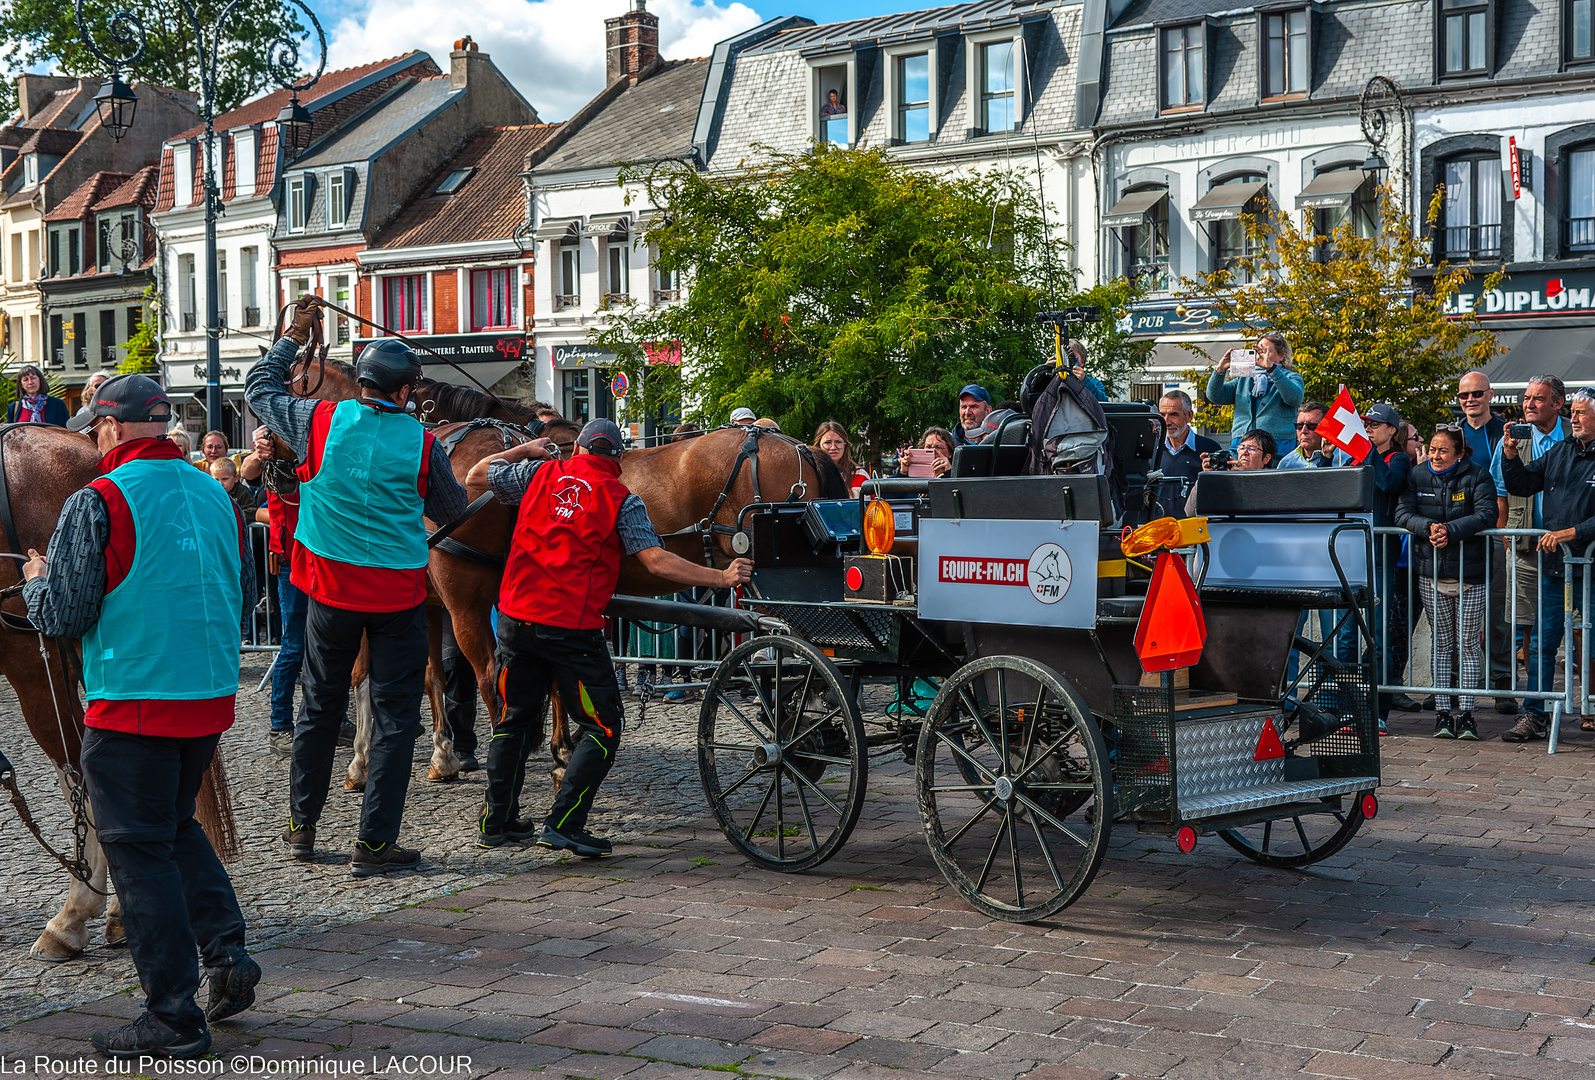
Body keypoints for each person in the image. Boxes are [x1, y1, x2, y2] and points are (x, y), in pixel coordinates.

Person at [22, 374, 257, 1058]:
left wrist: (37, 580)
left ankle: (173, 1014)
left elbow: (64, 616)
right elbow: (235, 586)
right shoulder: (216, 493)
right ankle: (230, 956)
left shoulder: (100, 498)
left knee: (137, 851)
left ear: (115, 429)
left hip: (133, 697)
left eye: (97, 427)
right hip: (206, 695)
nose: (94, 437)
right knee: (177, 827)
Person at [245, 296, 468, 875]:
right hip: (396, 597)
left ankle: (301, 829)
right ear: (403, 392)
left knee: (319, 708)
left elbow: (259, 389)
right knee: (396, 719)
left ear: (363, 383)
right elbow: (450, 511)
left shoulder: (320, 420)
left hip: (328, 591)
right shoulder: (424, 444)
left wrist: (292, 337)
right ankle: (373, 846)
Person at [470, 419, 753, 852]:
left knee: (513, 722)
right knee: (603, 726)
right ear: (618, 460)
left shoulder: (538, 474)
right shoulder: (622, 499)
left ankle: (498, 820)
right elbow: (657, 562)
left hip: (515, 620)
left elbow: (475, 474)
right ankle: (563, 822)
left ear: (578, 448)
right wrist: (721, 575)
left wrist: (524, 450)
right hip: (569, 627)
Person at [1500, 383, 1595, 742]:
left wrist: (1574, 532)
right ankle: (1535, 714)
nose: (1574, 418)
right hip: (1556, 568)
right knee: (1541, 643)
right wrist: (1510, 456)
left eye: (1581, 412)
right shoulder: (1560, 450)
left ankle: (1592, 707)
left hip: (1591, 567)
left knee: (1593, 641)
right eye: (1573, 412)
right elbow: (1523, 485)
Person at [1396, 426, 1499, 740]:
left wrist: (1449, 530)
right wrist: (1429, 527)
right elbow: (1402, 514)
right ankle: (1442, 713)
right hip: (1431, 572)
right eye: (1433, 448)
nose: (1436, 455)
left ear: (1458, 453)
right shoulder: (1416, 476)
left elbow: (1487, 514)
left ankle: (1467, 714)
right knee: (1442, 645)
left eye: (1443, 450)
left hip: (1471, 576)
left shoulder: (1479, 476)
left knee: (1467, 645)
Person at [1492, 376, 1569, 735]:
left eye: (1538, 399)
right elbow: (1509, 488)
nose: (1529, 404)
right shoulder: (1516, 439)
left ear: (1559, 403)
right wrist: (1508, 535)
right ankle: (1535, 711)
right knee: (1536, 635)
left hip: (1577, 552)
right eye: (1527, 398)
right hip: (1528, 547)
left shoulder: (1574, 439)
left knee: (1585, 635)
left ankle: (1588, 707)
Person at [1334, 402, 1410, 735]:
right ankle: (1348, 710)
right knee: (1346, 640)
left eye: (1375, 424)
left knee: (1377, 639)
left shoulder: (1398, 458)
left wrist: (1369, 453)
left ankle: (1379, 712)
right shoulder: (1352, 457)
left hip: (1379, 558)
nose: (1368, 428)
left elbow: (1389, 484)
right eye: (1365, 423)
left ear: (1391, 430)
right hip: (1349, 559)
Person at [240, 426, 306, 757]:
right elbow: (247, 471)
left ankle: (332, 719)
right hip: (291, 561)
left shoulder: (317, 443)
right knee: (293, 646)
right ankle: (280, 723)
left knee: (328, 647)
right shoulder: (273, 453)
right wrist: (260, 449)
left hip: (322, 560)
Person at [1453, 371, 1515, 715]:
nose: (1470, 400)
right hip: (1457, 535)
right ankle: (1447, 686)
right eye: (1464, 395)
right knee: (1450, 617)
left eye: (1477, 393)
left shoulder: (1503, 431)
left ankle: (1502, 684)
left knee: (1497, 613)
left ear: (1490, 394)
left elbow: (1507, 485)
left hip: (1492, 534)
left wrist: (1502, 531)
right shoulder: (1451, 432)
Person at [1204, 333, 1305, 454]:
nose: (1261, 356)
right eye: (1258, 351)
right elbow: (1215, 396)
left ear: (1282, 355)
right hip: (1242, 445)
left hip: (1277, 447)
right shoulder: (1245, 379)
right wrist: (1220, 369)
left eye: (1266, 351)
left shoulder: (1291, 377)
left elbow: (1293, 398)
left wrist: (1272, 370)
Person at [1154, 390, 1219, 516]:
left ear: (1189, 416)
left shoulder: (1210, 449)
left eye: (1173, 415)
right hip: (1158, 529)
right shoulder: (1151, 449)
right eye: (1162, 415)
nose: (1166, 422)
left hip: (1194, 528)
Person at [814, 420, 870, 495]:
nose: (833, 447)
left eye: (838, 442)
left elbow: (871, 506)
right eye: (827, 442)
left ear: (845, 445)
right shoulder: (811, 475)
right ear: (818, 446)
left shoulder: (860, 475)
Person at [1277, 401, 1332, 469]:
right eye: (1299, 426)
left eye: (1311, 426)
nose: (1303, 431)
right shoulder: (1286, 464)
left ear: (1326, 428)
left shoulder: (1343, 460)